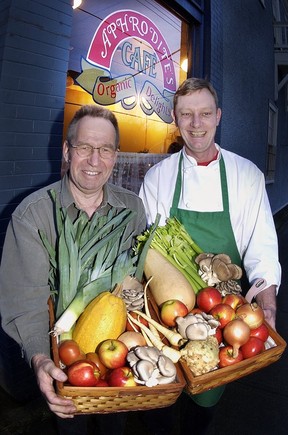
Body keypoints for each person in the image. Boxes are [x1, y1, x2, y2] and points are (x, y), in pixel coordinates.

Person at [139, 77, 281, 433]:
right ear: (175, 118)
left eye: (204, 114)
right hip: (166, 312)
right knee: (160, 396)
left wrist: (268, 309)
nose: (196, 124)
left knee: (201, 409)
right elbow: (146, 246)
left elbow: (261, 246)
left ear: (218, 116)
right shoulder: (158, 176)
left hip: (222, 312)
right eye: (186, 114)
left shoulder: (246, 175)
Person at [0, 105, 146, 435]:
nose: (95, 161)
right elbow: (25, 302)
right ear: (67, 151)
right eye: (84, 147)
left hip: (117, 359)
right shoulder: (33, 216)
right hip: (65, 361)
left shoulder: (133, 209)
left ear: (115, 155)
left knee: (114, 427)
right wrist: (40, 359)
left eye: (105, 149)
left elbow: (134, 279)